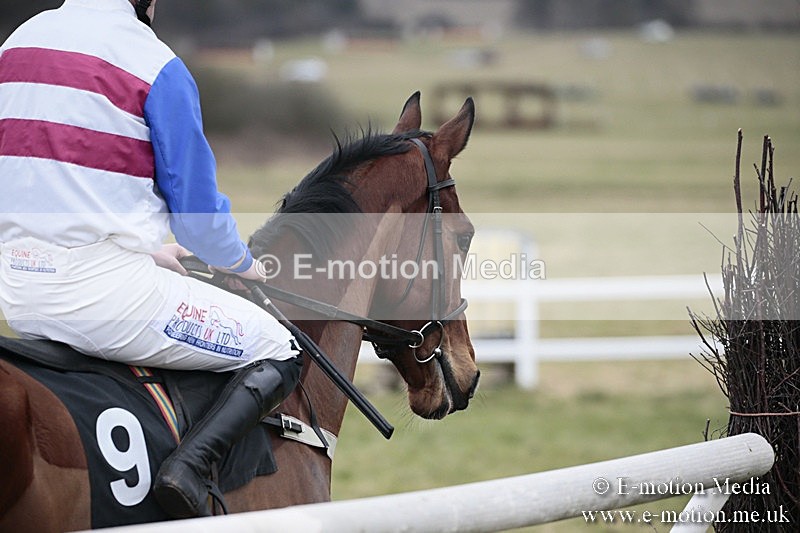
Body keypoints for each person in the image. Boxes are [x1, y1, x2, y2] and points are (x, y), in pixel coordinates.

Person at [0, 0, 302, 518]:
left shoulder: (18, 43)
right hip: (103, 297)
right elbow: (198, 218)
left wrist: (144, 250)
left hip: (17, 287)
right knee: (279, 345)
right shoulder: (153, 62)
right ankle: (190, 469)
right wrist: (239, 262)